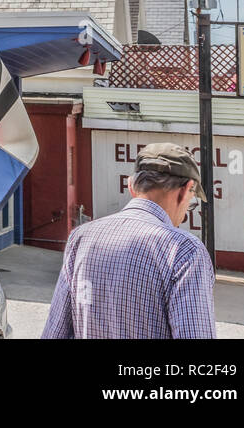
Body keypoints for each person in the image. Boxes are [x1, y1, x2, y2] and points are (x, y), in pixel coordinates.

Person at [42, 142, 216, 339]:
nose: (185, 213)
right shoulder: (184, 250)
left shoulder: (81, 237)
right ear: (186, 190)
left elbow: (54, 333)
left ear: (131, 186)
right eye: (191, 202)